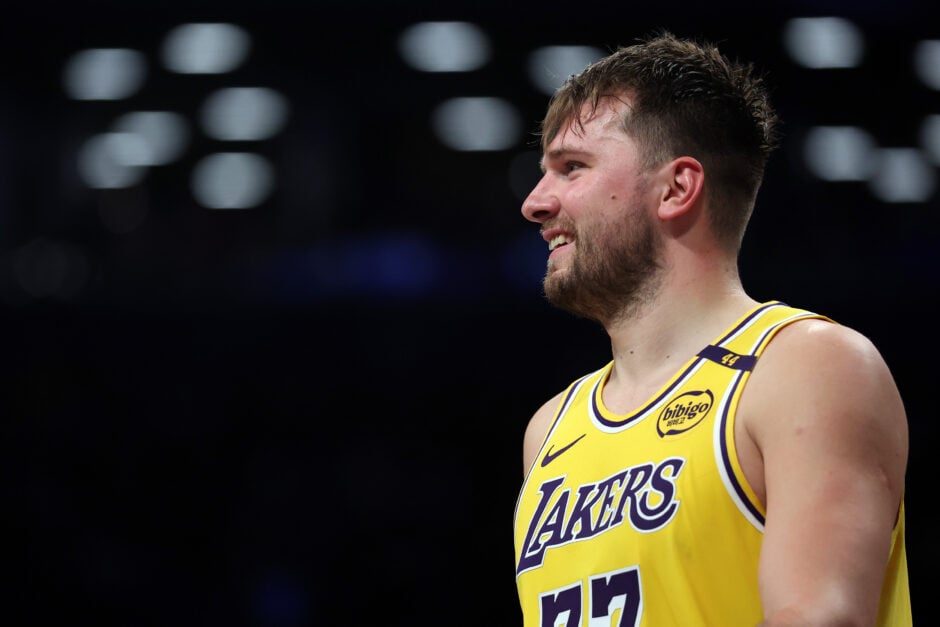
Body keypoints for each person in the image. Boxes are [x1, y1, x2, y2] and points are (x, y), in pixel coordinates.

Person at [512, 31, 910, 626]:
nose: (535, 202)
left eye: (572, 167)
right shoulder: (550, 430)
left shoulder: (805, 367)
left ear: (676, 188)